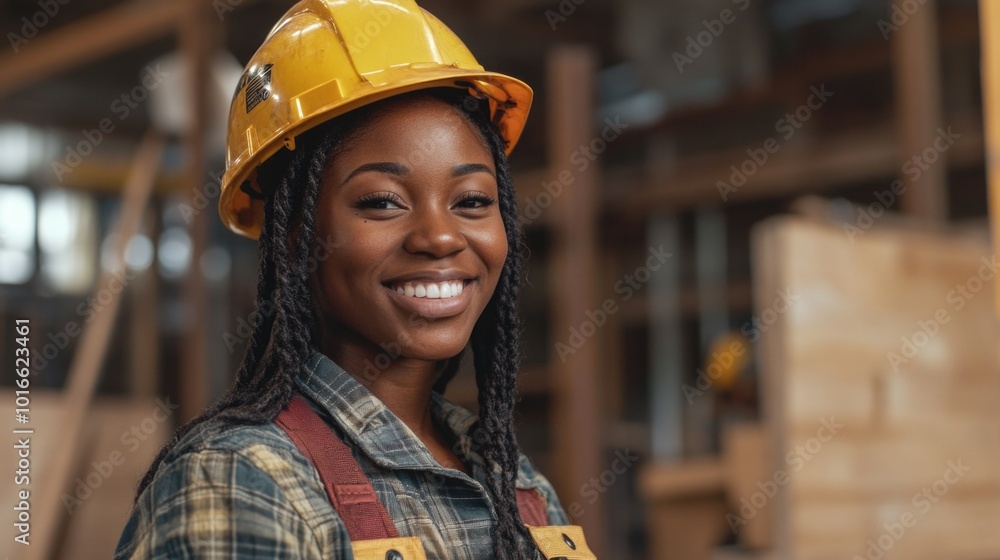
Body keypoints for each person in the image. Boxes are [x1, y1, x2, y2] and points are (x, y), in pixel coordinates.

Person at [114, 1, 596, 559]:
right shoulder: (240, 481)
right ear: (294, 235)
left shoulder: (515, 483)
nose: (440, 237)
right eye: (382, 202)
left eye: (472, 201)